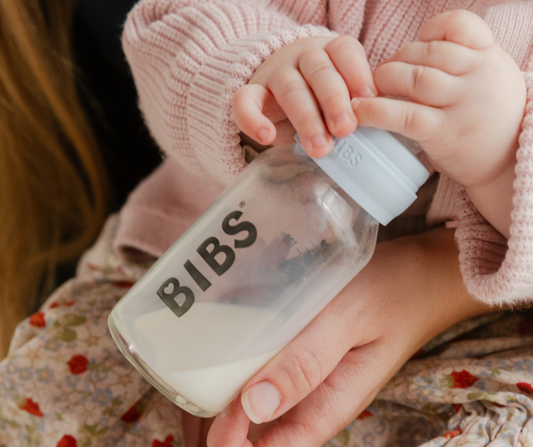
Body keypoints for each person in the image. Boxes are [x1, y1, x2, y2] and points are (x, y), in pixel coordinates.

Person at [1, 2, 533, 447]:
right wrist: (259, 67)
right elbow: (166, 21)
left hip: (462, 345)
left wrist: (504, 164)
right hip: (189, 272)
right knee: (56, 400)